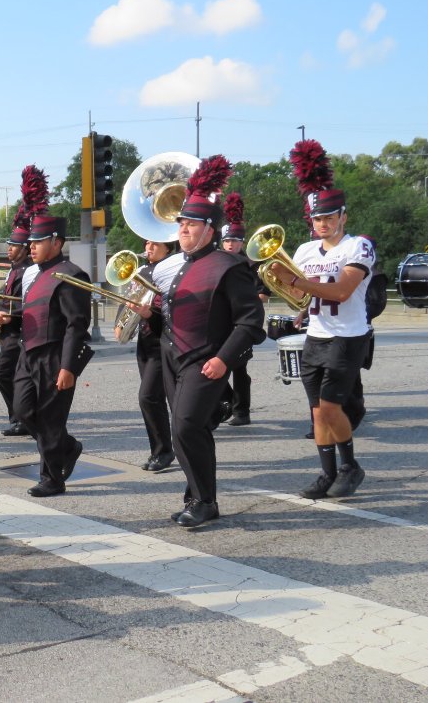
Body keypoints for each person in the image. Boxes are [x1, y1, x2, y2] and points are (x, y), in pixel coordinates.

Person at [130, 155, 265, 527]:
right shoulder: (180, 267)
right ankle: (198, 497)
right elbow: (170, 317)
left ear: (210, 228)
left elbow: (251, 322)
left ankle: (204, 500)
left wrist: (224, 359)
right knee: (190, 430)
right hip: (172, 357)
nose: (183, 230)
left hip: (205, 359)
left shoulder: (229, 266)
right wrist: (148, 316)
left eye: (190, 224)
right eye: (182, 224)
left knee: (185, 426)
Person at [269, 139, 375, 499]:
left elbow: (343, 290)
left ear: (343, 216)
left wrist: (297, 281)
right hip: (317, 335)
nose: (323, 223)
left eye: (330, 216)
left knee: (331, 408)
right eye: (317, 218)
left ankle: (350, 466)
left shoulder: (357, 245)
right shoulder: (303, 250)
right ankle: (326, 473)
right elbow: (301, 294)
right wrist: (288, 288)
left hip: (348, 335)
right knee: (317, 414)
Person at [12, 174, 94, 498]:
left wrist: (68, 366)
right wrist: (9, 317)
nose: (30, 246)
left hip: (54, 355)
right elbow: (38, 310)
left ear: (56, 242)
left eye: (38, 241)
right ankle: (68, 447)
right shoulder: (36, 276)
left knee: (49, 418)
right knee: (22, 410)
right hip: (28, 352)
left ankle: (52, 478)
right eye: (30, 241)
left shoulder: (71, 275)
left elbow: (76, 324)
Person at [0, 166, 46, 438]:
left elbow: (30, 303)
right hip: (11, 329)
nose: (8, 249)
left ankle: (21, 416)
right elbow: (6, 296)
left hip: (21, 330)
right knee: (9, 373)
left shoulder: (28, 271)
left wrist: (9, 313)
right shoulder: (13, 270)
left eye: (13, 246)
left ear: (25, 248)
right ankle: (20, 417)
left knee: (3, 372)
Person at [115, 239, 176, 471]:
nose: (148, 248)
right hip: (146, 341)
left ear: (168, 248)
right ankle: (160, 450)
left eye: (154, 244)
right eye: (147, 243)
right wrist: (120, 321)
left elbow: (172, 309)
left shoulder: (172, 269)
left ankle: (164, 451)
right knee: (154, 399)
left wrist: (150, 314)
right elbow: (130, 298)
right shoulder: (142, 271)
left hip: (164, 340)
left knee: (148, 397)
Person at [218, 193, 268, 427]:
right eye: (227, 240)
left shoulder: (251, 265)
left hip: (241, 322)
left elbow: (262, 294)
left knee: (239, 369)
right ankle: (226, 402)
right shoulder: (216, 261)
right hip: (220, 322)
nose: (231, 244)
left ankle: (242, 411)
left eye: (235, 240)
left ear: (242, 242)